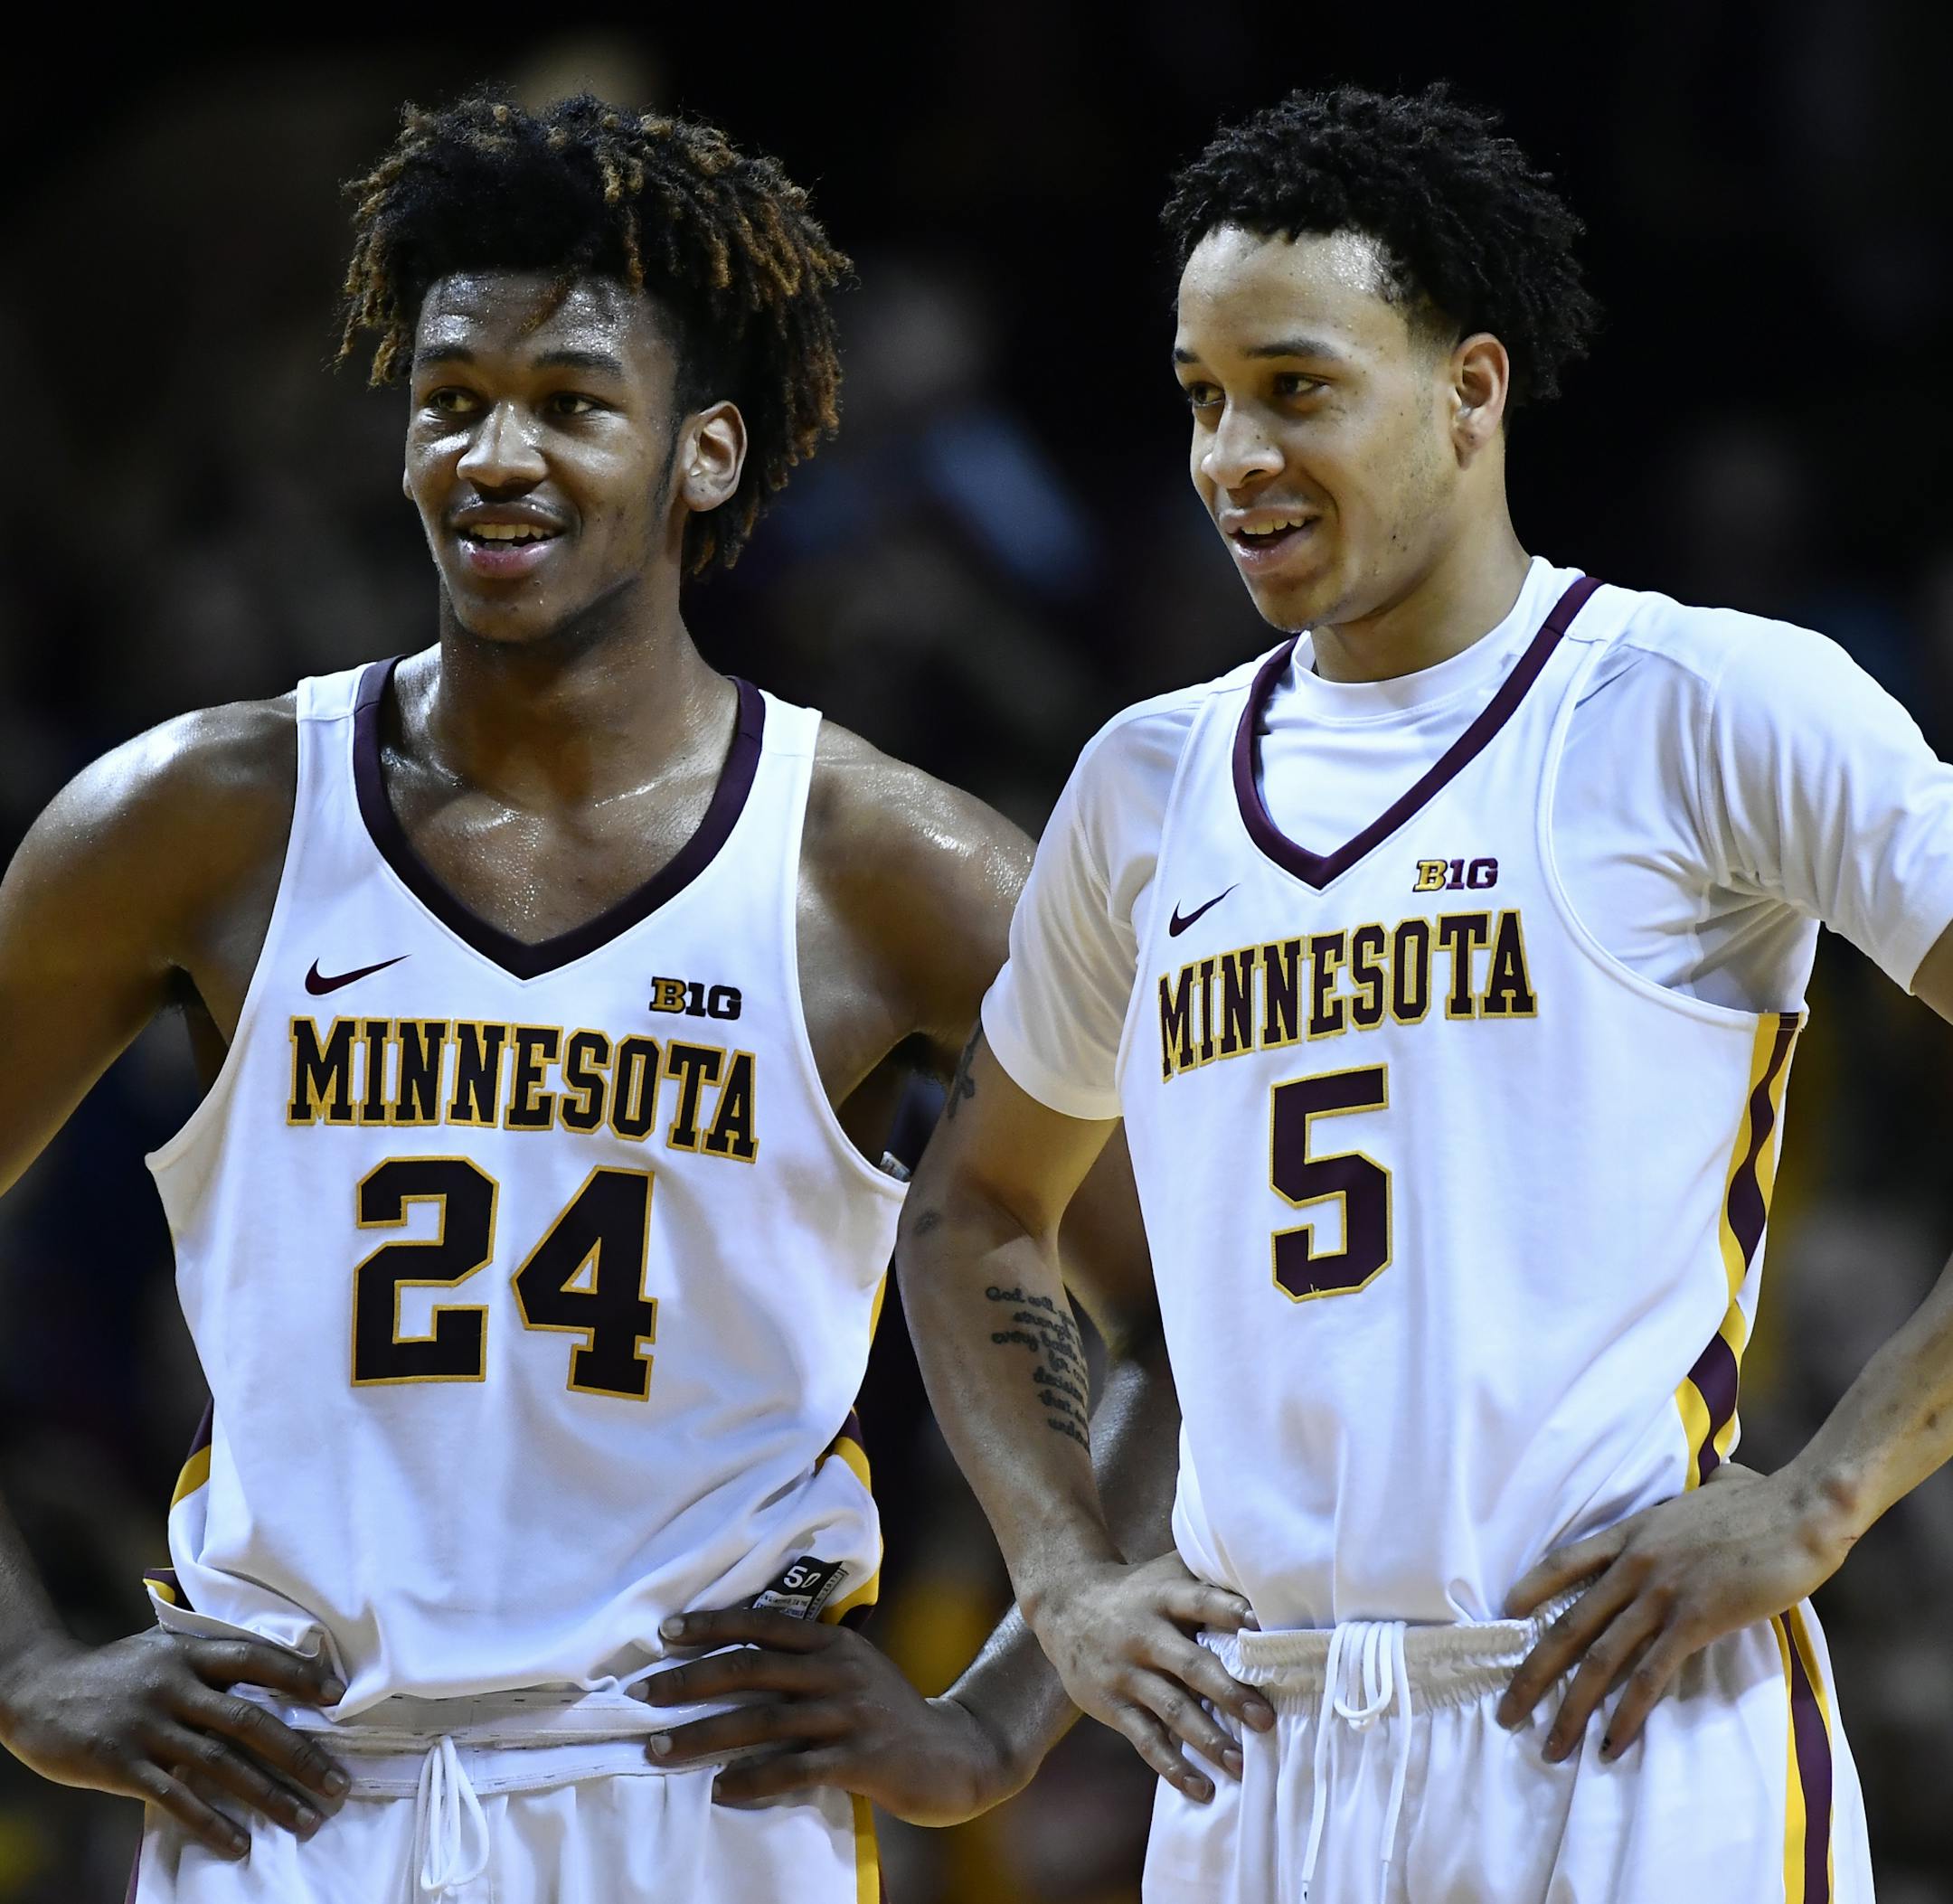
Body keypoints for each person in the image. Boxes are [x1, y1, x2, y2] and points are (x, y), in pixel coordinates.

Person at [0, 92, 1259, 1901]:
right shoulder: (193, 822)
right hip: (288, 1789)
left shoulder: (886, 871)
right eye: (451, 400)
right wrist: (29, 1672)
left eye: (572, 404)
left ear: (707, 454)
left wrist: (993, 1718)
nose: (495, 455)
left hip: (691, 1797)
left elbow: (1203, 1313)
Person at [898, 81, 1953, 1901]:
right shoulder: (1145, 786)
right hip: (1260, 1749)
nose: (1232, 454)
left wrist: (1825, 1496)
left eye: (1295, 388)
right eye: (1202, 396)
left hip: (1615, 1720)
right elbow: (974, 1206)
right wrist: (1064, 1575)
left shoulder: (1700, 705)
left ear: (1471, 391)